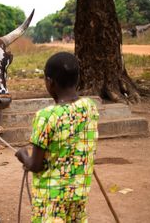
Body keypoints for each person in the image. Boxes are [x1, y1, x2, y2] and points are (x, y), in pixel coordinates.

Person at [15, 52, 99, 223]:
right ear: (77, 79)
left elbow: (36, 165)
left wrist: (23, 156)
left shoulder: (46, 116)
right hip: (79, 194)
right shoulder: (90, 107)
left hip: (51, 200)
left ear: (50, 82)